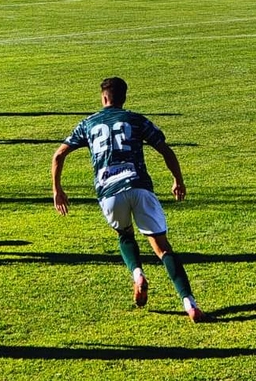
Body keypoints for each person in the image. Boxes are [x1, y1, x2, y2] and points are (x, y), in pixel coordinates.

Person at [51, 77, 205, 322]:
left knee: (124, 234)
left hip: (109, 193)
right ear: (124, 98)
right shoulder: (136, 120)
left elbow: (59, 155)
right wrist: (178, 179)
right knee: (162, 248)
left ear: (103, 98)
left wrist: (57, 189)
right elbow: (164, 148)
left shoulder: (87, 124)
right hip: (139, 186)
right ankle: (190, 304)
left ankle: (137, 274)